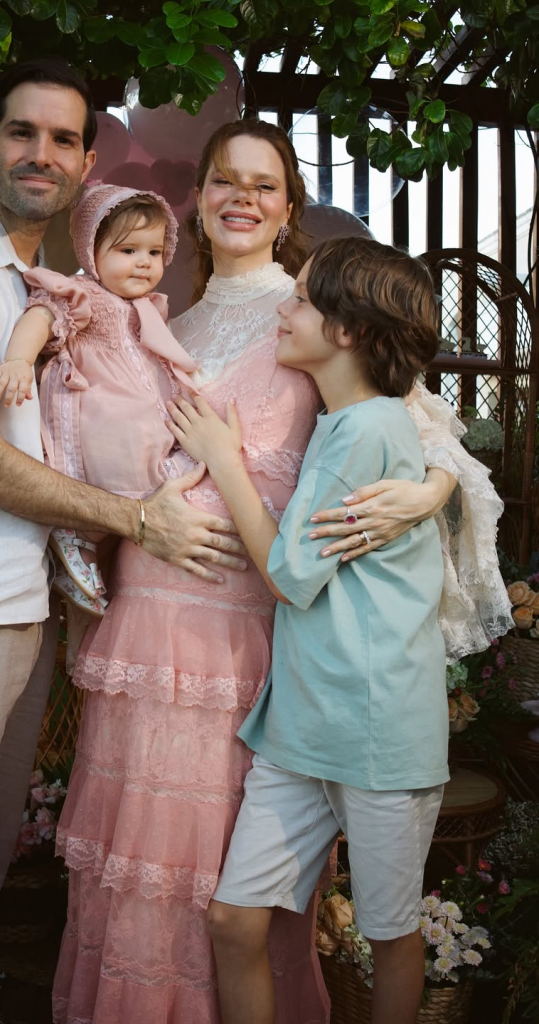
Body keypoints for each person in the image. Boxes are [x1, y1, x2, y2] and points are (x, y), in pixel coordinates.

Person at [51, 119, 510, 1024]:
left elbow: (430, 435)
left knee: (234, 879)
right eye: (225, 179)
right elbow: (79, 446)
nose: (243, 198)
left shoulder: (321, 313)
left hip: (255, 639)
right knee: (143, 864)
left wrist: (428, 491)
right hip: (148, 626)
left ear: (289, 207)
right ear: (198, 199)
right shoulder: (154, 322)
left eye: (264, 185)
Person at [0, 59, 247, 1024]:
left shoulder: (34, 283)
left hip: (15, 608)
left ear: (85, 165)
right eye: (22, 132)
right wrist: (135, 520)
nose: (43, 153)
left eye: (65, 138)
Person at [167, 237, 451, 1024]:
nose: (282, 313)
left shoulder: (366, 429)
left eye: (299, 300)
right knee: (234, 920)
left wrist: (222, 458)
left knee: (389, 934)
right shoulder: (345, 422)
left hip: (377, 732)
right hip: (304, 727)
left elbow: (291, 576)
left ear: (348, 329)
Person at [0, 183, 198, 617]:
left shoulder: (147, 306)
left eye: (154, 252)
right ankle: (74, 536)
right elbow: (41, 317)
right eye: (128, 250)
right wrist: (18, 360)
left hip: (141, 407)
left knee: (160, 458)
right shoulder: (84, 294)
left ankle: (101, 552)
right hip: (100, 409)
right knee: (114, 463)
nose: (144, 262)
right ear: (90, 250)